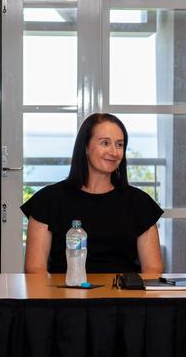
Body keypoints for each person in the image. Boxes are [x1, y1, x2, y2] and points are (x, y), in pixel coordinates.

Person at [21, 113, 164, 274]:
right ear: (86, 147)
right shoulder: (47, 200)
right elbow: (35, 268)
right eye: (105, 143)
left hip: (124, 295)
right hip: (64, 295)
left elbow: (153, 269)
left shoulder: (140, 202)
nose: (114, 152)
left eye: (119, 145)